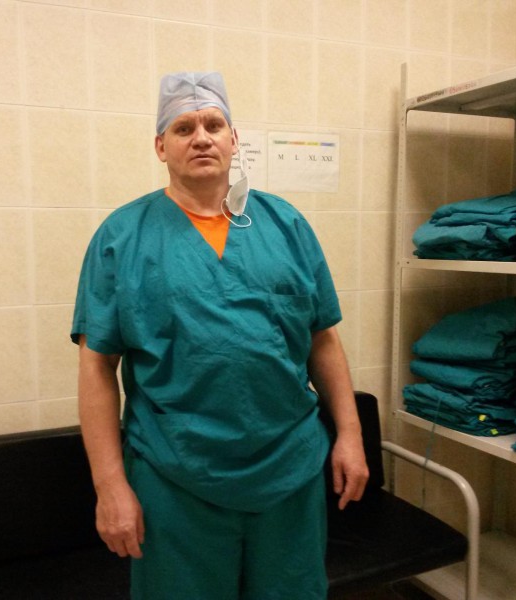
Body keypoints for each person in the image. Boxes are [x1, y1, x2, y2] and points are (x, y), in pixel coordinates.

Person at [71, 71, 368, 600]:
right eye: (183, 128)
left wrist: (350, 433)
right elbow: (97, 367)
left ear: (234, 140)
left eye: (213, 125)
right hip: (176, 476)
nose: (201, 137)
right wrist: (110, 485)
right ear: (161, 146)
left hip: (289, 470)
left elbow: (322, 338)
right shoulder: (122, 237)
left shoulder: (286, 225)